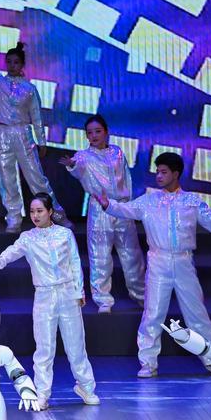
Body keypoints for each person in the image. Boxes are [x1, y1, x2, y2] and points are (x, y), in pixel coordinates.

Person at [96, 153, 211, 377]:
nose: (159, 176)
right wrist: (108, 204)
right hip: (158, 262)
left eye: (163, 172)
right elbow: (126, 209)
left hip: (183, 261)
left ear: (176, 174)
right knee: (153, 313)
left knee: (197, 313)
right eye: (157, 172)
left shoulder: (191, 201)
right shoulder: (148, 201)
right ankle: (148, 363)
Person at [0, 193, 98, 405]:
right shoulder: (28, 238)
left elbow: (74, 263)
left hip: (67, 293)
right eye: (32, 211)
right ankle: (43, 393)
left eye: (40, 211)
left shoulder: (64, 234)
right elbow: (11, 252)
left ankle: (86, 387)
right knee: (44, 348)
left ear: (50, 212)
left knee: (76, 345)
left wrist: (79, 292)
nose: (35, 215)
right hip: (44, 296)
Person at [0, 28, 62, 232]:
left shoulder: (29, 89)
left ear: (22, 64)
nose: (12, 65)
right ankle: (14, 217)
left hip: (22, 133)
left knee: (36, 177)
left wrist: (41, 141)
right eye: (9, 62)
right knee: (7, 178)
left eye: (16, 62)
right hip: (2, 133)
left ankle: (56, 213)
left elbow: (36, 117)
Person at [59, 115, 143, 312]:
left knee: (132, 254)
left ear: (106, 132)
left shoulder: (118, 153)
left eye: (98, 131)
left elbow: (127, 179)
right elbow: (77, 168)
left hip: (122, 208)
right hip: (100, 210)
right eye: (90, 133)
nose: (94, 135)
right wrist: (71, 164)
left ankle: (141, 295)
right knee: (100, 256)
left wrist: (130, 206)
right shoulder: (83, 156)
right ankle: (103, 300)